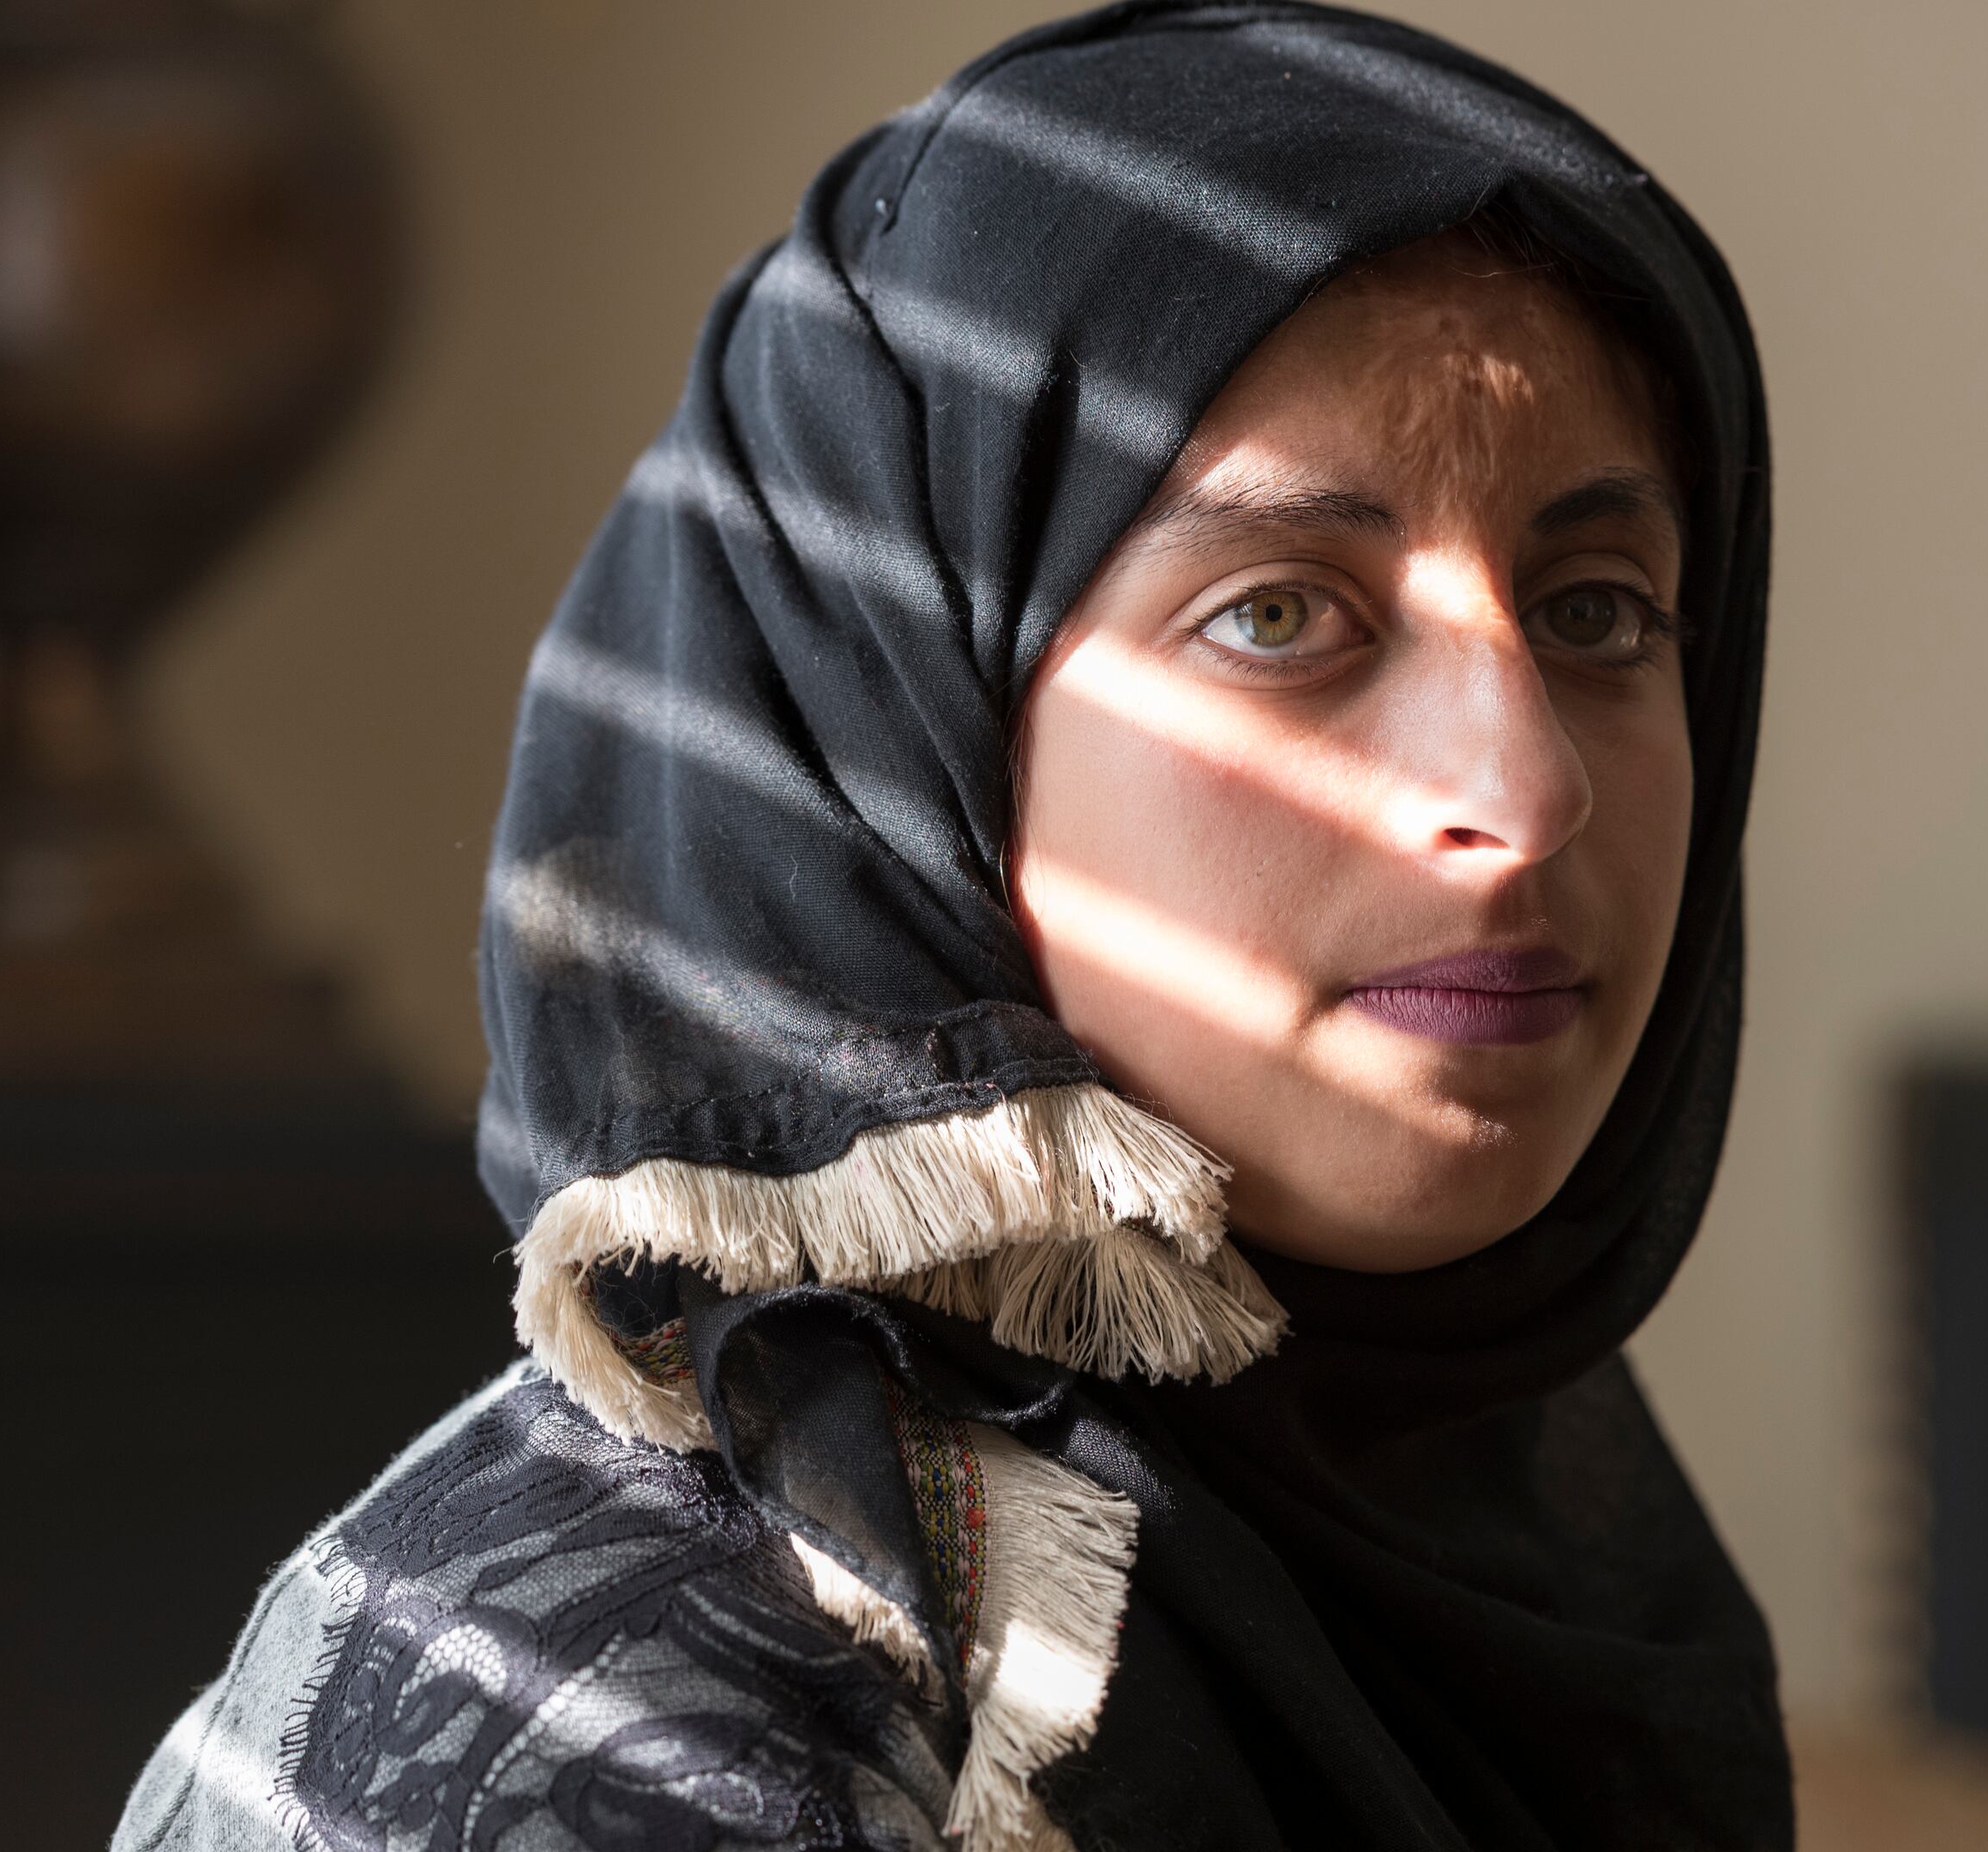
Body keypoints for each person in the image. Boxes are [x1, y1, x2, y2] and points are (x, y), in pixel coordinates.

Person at [115, 4, 1782, 1847]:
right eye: (1284, 615)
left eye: (1603, 609)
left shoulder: (1527, 1562)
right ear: (915, 734)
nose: (1527, 790)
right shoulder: (615, 1726)